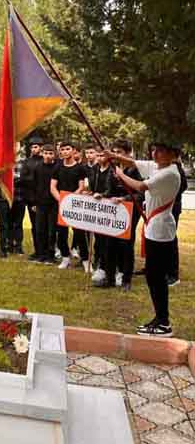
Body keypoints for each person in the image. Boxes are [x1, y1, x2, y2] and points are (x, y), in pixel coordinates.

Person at [106, 141, 181, 337]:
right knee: (153, 276)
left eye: (161, 151)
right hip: (154, 227)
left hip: (160, 229)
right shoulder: (159, 167)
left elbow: (140, 186)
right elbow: (134, 162)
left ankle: (163, 323)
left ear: (173, 154)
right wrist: (114, 156)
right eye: (154, 150)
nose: (155, 154)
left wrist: (120, 175)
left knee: (156, 277)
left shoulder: (170, 174)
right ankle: (159, 319)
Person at [102, 139, 143, 291]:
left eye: (119, 152)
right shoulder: (113, 169)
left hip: (130, 210)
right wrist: (103, 195)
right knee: (110, 244)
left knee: (126, 245)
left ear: (127, 153)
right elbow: (109, 190)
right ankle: (110, 277)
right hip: (114, 211)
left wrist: (123, 199)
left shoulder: (136, 170)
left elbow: (140, 193)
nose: (116, 155)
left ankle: (126, 279)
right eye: (114, 151)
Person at [50, 141, 90, 271]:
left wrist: (70, 199)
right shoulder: (57, 167)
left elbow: (81, 187)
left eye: (68, 149)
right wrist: (61, 200)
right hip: (60, 204)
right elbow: (53, 187)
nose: (65, 151)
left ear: (73, 151)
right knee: (61, 234)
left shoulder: (80, 168)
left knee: (79, 234)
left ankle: (85, 260)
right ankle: (65, 258)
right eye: (63, 149)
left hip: (75, 204)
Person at [89, 149, 112, 285]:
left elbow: (111, 188)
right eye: (98, 155)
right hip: (96, 207)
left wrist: (103, 195)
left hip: (108, 206)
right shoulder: (94, 169)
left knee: (107, 240)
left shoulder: (112, 170)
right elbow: (92, 186)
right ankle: (99, 265)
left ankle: (107, 267)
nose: (99, 157)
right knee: (98, 240)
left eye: (102, 155)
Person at [33, 144, 58, 264]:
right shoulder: (37, 167)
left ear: (54, 154)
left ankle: (50, 255)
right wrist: (34, 202)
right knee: (39, 229)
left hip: (53, 203)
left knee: (51, 231)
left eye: (50, 153)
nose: (48, 156)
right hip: (40, 203)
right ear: (42, 153)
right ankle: (40, 254)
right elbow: (34, 185)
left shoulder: (57, 168)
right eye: (46, 153)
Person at [20, 136, 43, 257]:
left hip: (44, 199)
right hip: (31, 199)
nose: (34, 149)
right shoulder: (27, 162)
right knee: (35, 226)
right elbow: (23, 179)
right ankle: (37, 250)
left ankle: (46, 251)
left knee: (45, 227)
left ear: (41, 147)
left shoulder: (46, 160)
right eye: (32, 147)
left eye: (36, 147)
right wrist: (36, 178)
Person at [168, 158, 188, 286]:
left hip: (172, 207)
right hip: (164, 207)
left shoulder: (176, 168)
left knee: (170, 239)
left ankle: (173, 274)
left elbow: (183, 186)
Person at [7, 154, 25, 254]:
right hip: (8, 198)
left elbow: (26, 179)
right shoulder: (6, 163)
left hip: (20, 198)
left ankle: (18, 245)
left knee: (18, 223)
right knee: (9, 222)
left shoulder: (24, 163)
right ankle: (9, 244)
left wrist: (13, 179)